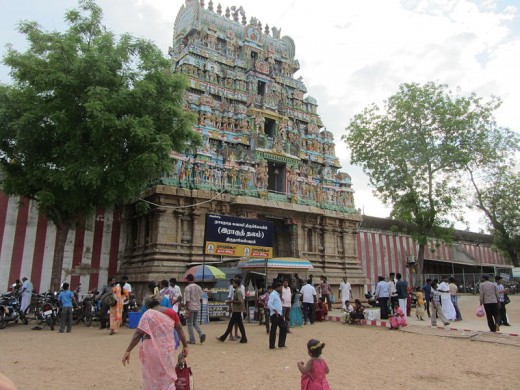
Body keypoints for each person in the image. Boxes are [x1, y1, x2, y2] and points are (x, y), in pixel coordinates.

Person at [122, 299, 188, 390]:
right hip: (166, 348)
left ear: (149, 307)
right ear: (159, 304)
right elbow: (179, 329)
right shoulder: (171, 312)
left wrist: (128, 350)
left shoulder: (148, 314)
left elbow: (138, 333)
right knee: (168, 375)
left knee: (152, 375)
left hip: (151, 349)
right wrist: (185, 346)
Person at [216, 279, 248, 343]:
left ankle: (223, 337)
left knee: (231, 325)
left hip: (237, 310)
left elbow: (240, 301)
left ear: (237, 284)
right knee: (240, 325)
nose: (232, 285)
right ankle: (244, 338)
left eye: (233, 283)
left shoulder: (238, 291)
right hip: (237, 310)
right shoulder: (237, 291)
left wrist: (231, 301)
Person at [184, 274, 206, 344]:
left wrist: (186, 308)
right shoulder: (199, 287)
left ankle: (192, 339)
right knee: (195, 322)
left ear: (188, 279)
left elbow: (187, 299)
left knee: (189, 323)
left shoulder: (187, 288)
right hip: (197, 306)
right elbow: (201, 298)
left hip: (190, 306)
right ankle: (201, 333)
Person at [268, 282, 287, 349]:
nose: (281, 289)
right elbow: (269, 304)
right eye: (281, 287)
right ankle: (274, 345)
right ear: (277, 288)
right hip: (275, 314)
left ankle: (277, 344)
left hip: (278, 314)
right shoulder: (273, 294)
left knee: (281, 328)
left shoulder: (277, 294)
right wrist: (274, 310)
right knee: (277, 328)